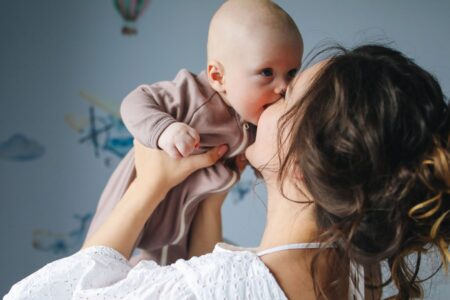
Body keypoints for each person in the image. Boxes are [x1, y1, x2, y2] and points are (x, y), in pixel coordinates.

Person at [6, 44, 450, 299]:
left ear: (299, 164)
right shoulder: (355, 278)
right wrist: (210, 198)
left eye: (287, 96)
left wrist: (149, 186)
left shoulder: (215, 289)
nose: (268, 99)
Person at [85, 0, 303, 265]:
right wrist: (165, 129)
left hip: (186, 211)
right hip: (141, 189)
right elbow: (135, 101)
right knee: (98, 262)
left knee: (173, 270)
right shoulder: (193, 96)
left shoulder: (256, 116)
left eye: (291, 73)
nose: (283, 87)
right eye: (267, 72)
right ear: (218, 76)